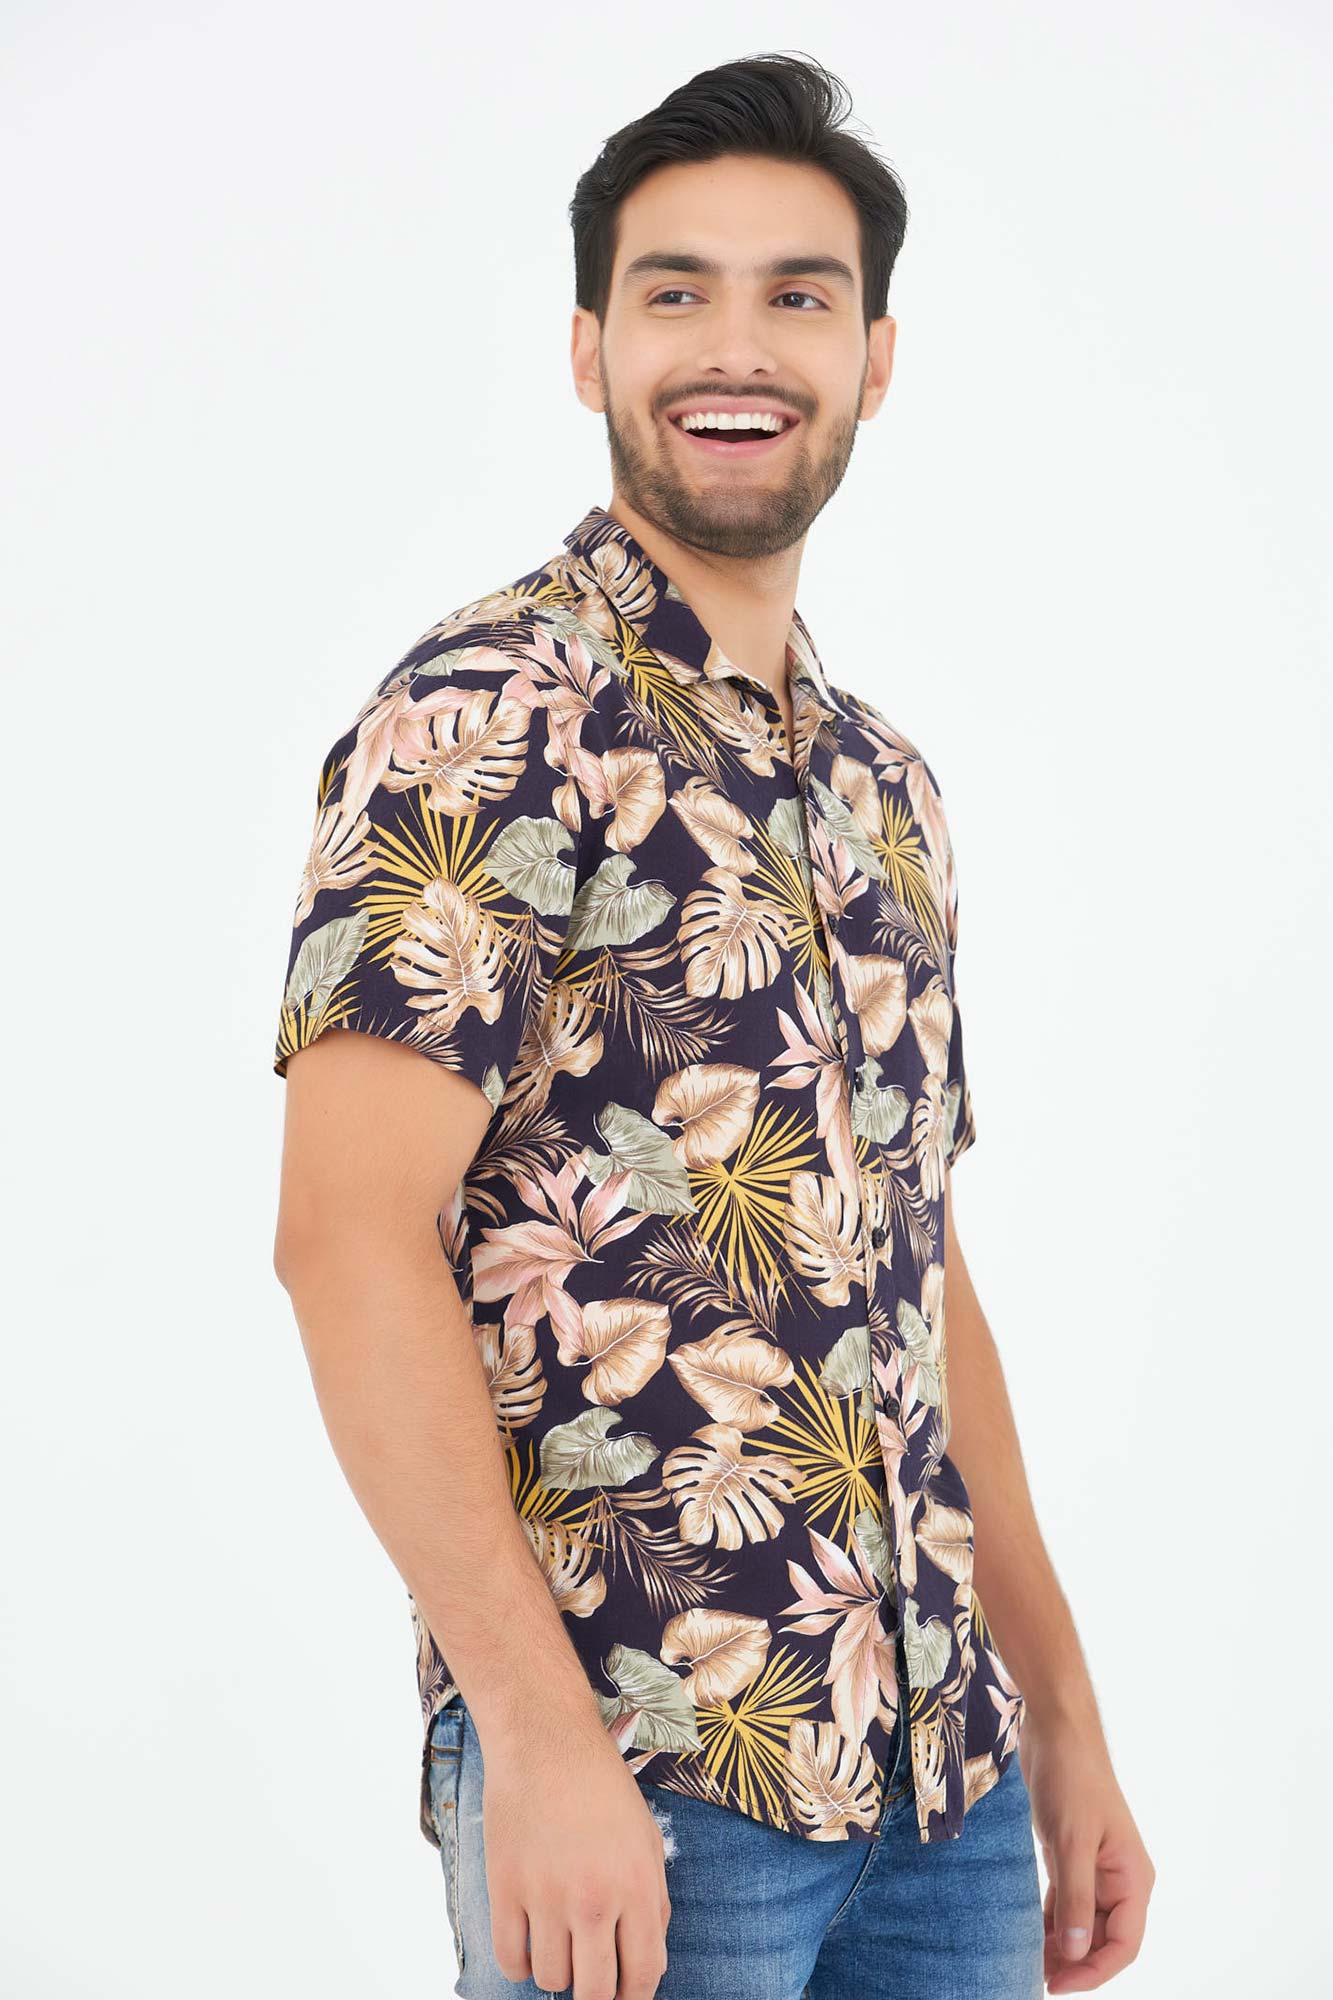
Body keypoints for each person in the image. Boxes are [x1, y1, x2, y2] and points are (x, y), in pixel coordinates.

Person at [271, 51, 1154, 2000]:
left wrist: (1062, 1710)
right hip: (644, 1768)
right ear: (590, 349)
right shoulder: (495, 710)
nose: (735, 346)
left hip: (940, 1783)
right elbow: (343, 1237)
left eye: (795, 295)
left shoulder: (883, 785)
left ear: (872, 360)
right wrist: (534, 1739)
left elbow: (916, 1269)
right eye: (675, 290)